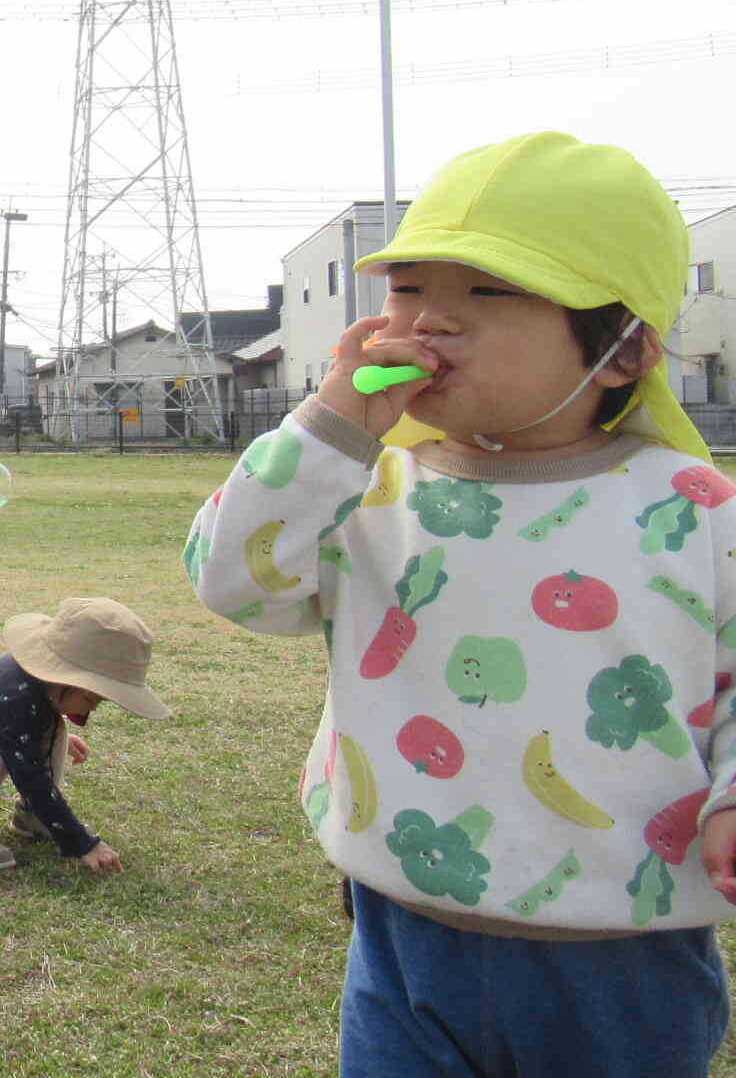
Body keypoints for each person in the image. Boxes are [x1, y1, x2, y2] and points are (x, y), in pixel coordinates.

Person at [187, 131, 736, 1076]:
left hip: (622, 955)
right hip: (403, 934)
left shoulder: (695, 510)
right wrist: (323, 433)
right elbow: (232, 582)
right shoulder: (366, 488)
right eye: (407, 290)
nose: (428, 324)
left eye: (488, 293)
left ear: (622, 350)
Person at [0, 598, 168, 872]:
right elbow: (30, 775)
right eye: (91, 698)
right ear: (66, 681)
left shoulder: (37, 691)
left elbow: (15, 735)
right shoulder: (16, 697)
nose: (93, 709)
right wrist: (80, 842)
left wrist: (54, 741)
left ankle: (32, 817)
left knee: (49, 729)